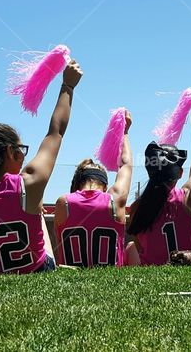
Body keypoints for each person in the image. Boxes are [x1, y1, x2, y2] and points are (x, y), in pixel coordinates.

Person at [0, 59, 83, 274]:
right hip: (34, 271)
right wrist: (68, 86)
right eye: (21, 150)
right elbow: (56, 131)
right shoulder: (28, 184)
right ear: (10, 152)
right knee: (36, 213)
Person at [125, 103, 191, 266]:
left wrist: (125, 132)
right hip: (188, 272)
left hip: (152, 277)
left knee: (131, 247)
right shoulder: (187, 197)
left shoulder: (136, 208)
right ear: (180, 173)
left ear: (150, 171)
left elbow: (141, 247)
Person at [54, 111, 132, 267]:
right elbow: (126, 165)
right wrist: (124, 132)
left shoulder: (63, 203)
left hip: (70, 285)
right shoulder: (114, 200)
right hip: (112, 285)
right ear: (104, 185)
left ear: (79, 182)